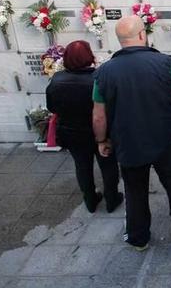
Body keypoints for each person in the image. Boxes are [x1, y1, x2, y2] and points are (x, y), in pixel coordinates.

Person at [93, 15, 171, 251]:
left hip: (127, 142)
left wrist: (102, 140)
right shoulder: (163, 63)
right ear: (142, 35)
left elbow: (98, 115)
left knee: (134, 190)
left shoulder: (104, 72)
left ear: (120, 40)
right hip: (164, 140)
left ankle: (138, 237)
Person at [45, 40, 122, 213]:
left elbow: (52, 107)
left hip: (72, 133)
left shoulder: (57, 80)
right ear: (89, 56)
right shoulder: (98, 78)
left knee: (82, 166)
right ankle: (111, 199)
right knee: (108, 165)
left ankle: (90, 200)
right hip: (99, 132)